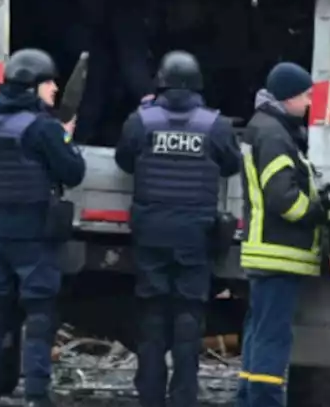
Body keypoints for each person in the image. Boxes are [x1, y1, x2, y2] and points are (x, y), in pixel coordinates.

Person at [115, 51, 243, 407]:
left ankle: (150, 398)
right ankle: (183, 397)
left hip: (151, 232)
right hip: (195, 236)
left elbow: (124, 160)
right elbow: (232, 165)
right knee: (189, 318)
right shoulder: (215, 125)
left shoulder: (141, 121)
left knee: (152, 317)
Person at [0, 49, 86, 407]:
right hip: (35, 237)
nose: (54, 89)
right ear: (33, 86)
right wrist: (65, 138)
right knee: (39, 318)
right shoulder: (42, 128)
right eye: (49, 82)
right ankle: (36, 397)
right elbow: (74, 172)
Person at [236, 62, 329, 407]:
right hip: (279, 251)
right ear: (288, 96)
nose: (309, 103)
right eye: (306, 95)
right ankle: (264, 400)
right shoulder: (275, 135)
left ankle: (248, 397)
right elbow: (282, 198)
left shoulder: (265, 127)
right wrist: (317, 211)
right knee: (273, 337)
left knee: (259, 332)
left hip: (266, 252)